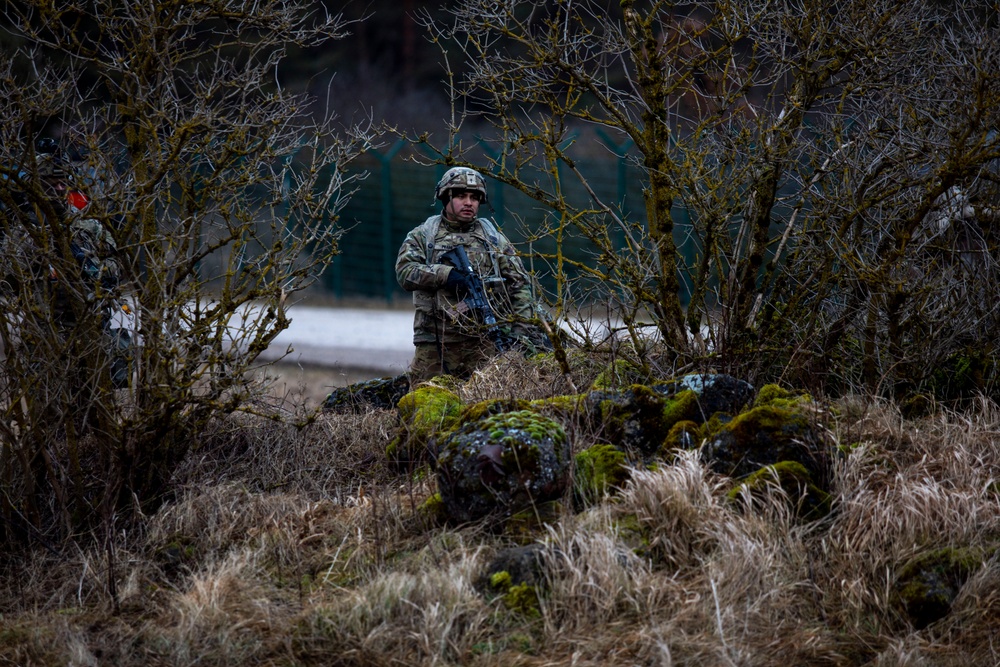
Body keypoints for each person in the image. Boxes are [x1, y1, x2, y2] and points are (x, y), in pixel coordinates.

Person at [395, 166, 547, 384]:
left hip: (483, 340)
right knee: (425, 403)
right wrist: (446, 275)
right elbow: (405, 272)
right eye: (460, 196)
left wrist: (519, 333)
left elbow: (520, 285)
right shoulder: (423, 235)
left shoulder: (492, 239)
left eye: (474, 198)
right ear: (445, 197)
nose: (469, 202)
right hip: (435, 341)